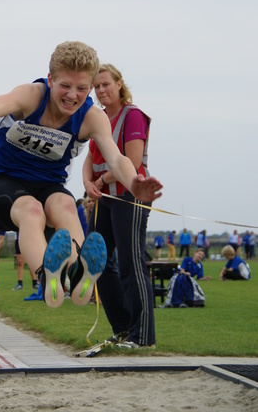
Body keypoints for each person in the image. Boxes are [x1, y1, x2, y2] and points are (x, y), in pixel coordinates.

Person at [0, 41, 163, 309]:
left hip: (50, 185)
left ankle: (77, 276)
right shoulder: (31, 96)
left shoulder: (91, 117)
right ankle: (48, 276)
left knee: (65, 205)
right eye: (65, 86)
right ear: (50, 80)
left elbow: (117, 159)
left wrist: (134, 184)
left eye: (82, 89)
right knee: (32, 211)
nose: (73, 96)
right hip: (5, 184)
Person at [82, 63, 157, 349]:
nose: (101, 91)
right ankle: (123, 328)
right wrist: (88, 182)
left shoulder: (132, 115)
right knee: (95, 259)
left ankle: (143, 336)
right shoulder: (98, 119)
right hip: (105, 200)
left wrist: (100, 182)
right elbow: (90, 158)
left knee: (130, 263)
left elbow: (133, 162)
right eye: (96, 86)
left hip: (130, 196)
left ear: (118, 84)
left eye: (105, 85)